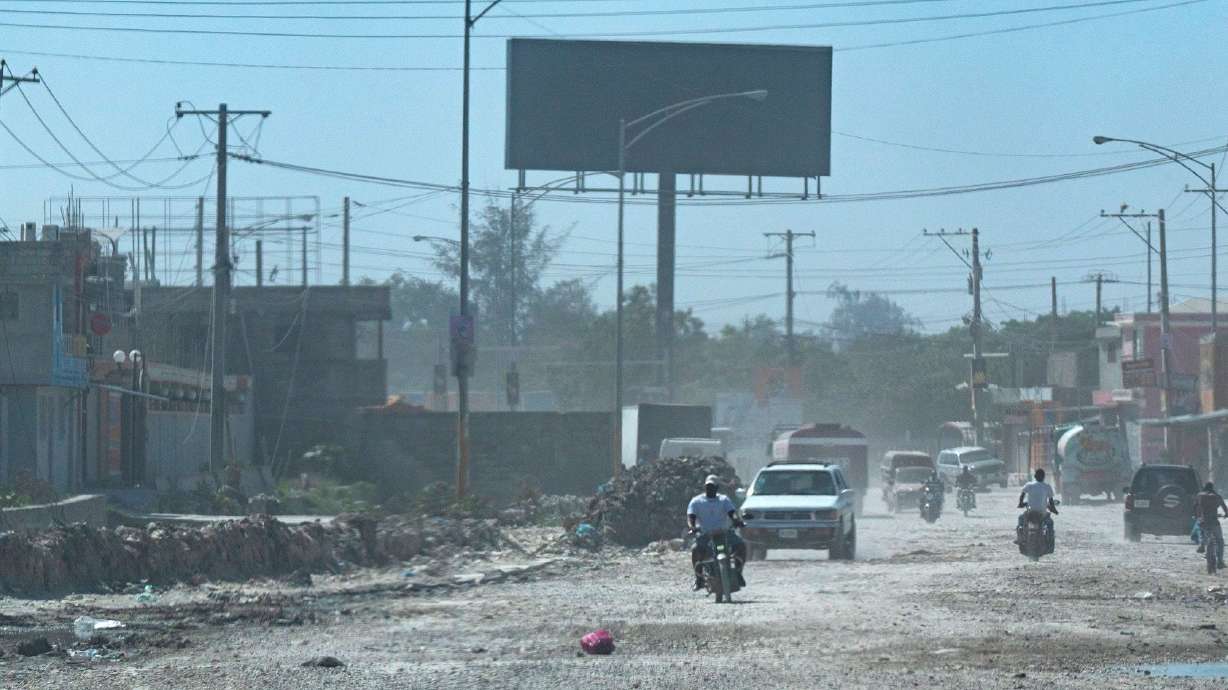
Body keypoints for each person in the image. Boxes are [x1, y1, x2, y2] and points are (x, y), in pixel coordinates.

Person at [687, 474, 746, 591]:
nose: (710, 489)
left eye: (712, 487)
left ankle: (738, 573)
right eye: (708, 487)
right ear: (704, 487)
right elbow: (691, 516)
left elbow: (732, 513)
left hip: (724, 533)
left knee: (741, 546)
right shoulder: (696, 501)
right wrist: (692, 527)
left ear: (717, 488)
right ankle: (699, 579)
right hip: (705, 535)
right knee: (695, 550)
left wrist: (736, 520)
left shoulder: (724, 500)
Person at [1016, 468, 1059, 550]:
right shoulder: (1047, 487)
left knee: (1021, 519)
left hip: (1030, 513)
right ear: (1044, 477)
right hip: (1042, 514)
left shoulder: (1029, 485)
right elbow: (1051, 501)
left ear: (1035, 476)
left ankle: (1020, 538)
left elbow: (1022, 495)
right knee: (1050, 523)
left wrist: (1021, 503)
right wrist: (1054, 510)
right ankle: (1050, 541)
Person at [1194, 482, 1228, 569]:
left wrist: (1197, 515)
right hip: (1214, 521)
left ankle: (1202, 544)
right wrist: (1225, 514)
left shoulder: (1200, 495)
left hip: (1203, 521)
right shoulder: (1217, 496)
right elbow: (1225, 509)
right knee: (1220, 540)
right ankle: (1220, 561)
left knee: (1200, 529)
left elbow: (1195, 507)